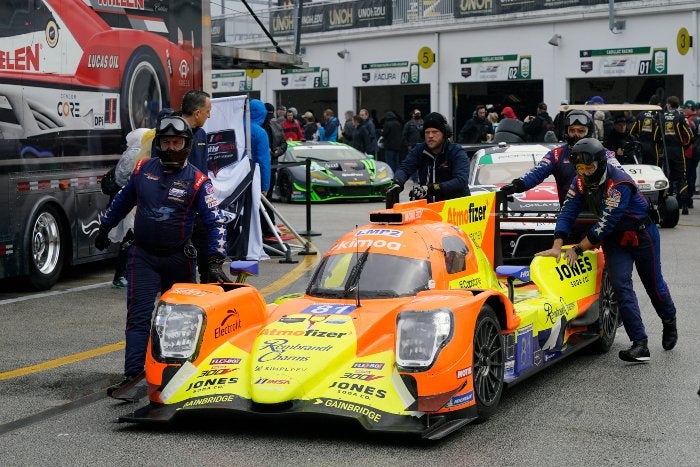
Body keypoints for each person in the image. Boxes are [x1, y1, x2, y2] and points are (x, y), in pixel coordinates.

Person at [95, 116, 228, 398]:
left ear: (186, 145)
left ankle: (178, 369)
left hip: (179, 259)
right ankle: (134, 373)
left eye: (176, 142)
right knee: (139, 315)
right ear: (158, 144)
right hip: (142, 256)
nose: (170, 148)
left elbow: (216, 222)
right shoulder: (143, 169)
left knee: (180, 320)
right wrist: (105, 226)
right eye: (165, 142)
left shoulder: (199, 182)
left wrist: (215, 260)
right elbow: (122, 200)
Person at [535, 138, 678, 363]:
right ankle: (640, 344)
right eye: (579, 168)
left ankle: (669, 320)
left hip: (642, 234)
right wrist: (557, 245)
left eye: (588, 167)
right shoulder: (579, 181)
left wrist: (579, 249)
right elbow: (568, 211)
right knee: (621, 286)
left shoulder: (619, 183)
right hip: (614, 241)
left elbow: (604, 224)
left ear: (600, 163)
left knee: (653, 284)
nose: (584, 172)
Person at [501, 109, 617, 206]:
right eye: (572, 130)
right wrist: (517, 185)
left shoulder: (604, 153)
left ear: (589, 132)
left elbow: (621, 177)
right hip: (569, 219)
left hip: (601, 219)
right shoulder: (556, 155)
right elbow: (536, 174)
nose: (576, 134)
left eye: (581, 131)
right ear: (566, 131)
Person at [388, 112, 470, 202]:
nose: (430, 136)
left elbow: (460, 181)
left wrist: (432, 188)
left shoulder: (456, 151)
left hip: (455, 207)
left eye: (434, 132)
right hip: (428, 207)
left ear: (444, 133)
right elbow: (404, 168)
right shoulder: (419, 150)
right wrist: (398, 182)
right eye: (427, 132)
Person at [180, 90, 212, 283]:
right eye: (208, 111)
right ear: (197, 112)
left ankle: (208, 286)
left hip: (200, 206)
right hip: (180, 209)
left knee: (207, 250)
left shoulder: (201, 134)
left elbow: (203, 169)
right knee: (184, 257)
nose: (209, 115)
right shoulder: (171, 132)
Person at [662, 96, 693, 214]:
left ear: (669, 104)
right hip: (678, 150)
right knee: (681, 177)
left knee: (667, 176)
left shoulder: (662, 116)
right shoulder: (680, 117)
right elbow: (689, 136)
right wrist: (684, 146)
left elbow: (658, 135)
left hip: (666, 151)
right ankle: (684, 205)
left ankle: (668, 205)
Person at [629, 95, 662, 166]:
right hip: (653, 147)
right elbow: (660, 135)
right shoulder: (659, 117)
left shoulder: (640, 115)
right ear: (659, 104)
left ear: (649, 102)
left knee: (642, 167)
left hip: (641, 146)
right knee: (654, 168)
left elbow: (632, 132)